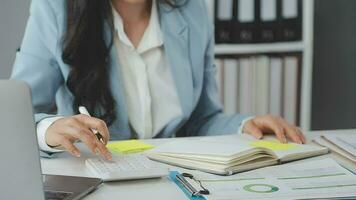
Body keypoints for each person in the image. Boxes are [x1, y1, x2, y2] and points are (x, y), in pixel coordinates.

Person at [11, 0, 305, 160]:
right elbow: (17, 117)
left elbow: (201, 119)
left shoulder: (192, 10)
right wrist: (50, 129)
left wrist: (245, 125)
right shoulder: (54, 8)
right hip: (94, 173)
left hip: (171, 179)